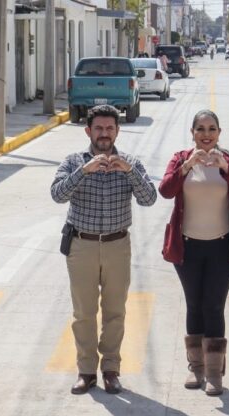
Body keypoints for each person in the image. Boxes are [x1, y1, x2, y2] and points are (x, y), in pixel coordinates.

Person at [50, 105, 157, 395]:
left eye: (110, 128)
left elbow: (149, 199)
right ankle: (86, 371)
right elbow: (57, 195)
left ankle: (111, 369)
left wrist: (129, 171)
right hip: (81, 246)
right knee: (84, 313)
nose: (104, 134)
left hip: (116, 245)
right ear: (88, 131)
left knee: (114, 312)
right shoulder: (74, 162)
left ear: (117, 131)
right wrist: (83, 172)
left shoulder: (130, 162)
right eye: (99, 128)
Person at [159, 110, 229, 396]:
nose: (206, 134)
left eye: (212, 129)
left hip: (222, 246)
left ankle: (214, 374)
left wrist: (226, 167)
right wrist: (186, 166)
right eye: (201, 129)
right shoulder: (180, 158)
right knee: (194, 305)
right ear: (192, 132)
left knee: (214, 306)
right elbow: (165, 190)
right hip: (187, 245)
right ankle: (195, 368)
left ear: (219, 132)